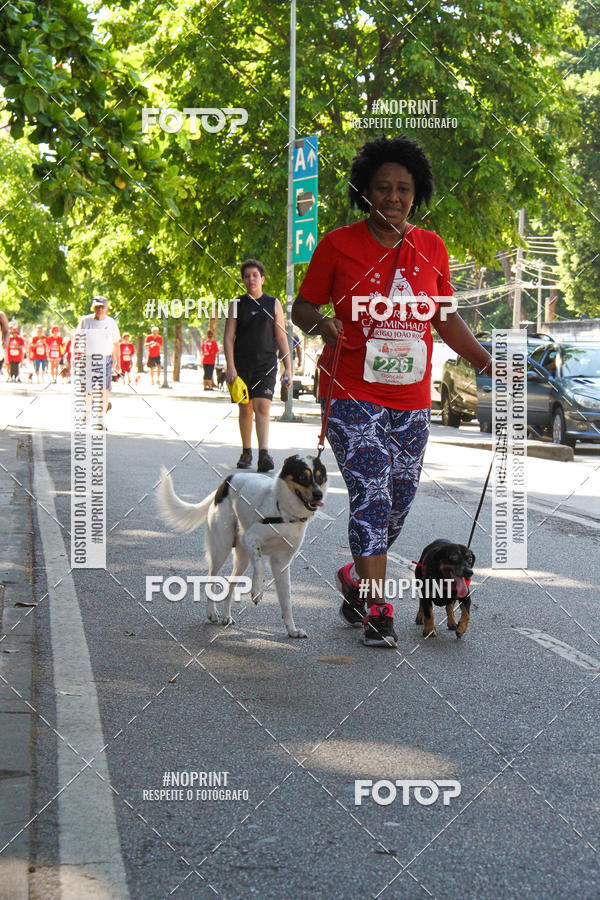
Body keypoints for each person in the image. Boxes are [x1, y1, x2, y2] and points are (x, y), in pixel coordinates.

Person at [292, 135, 492, 649]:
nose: (393, 197)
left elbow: (446, 320)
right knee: (374, 492)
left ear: (416, 193)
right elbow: (302, 308)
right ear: (367, 191)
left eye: (403, 189)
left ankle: (358, 579)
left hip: (411, 400)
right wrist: (324, 325)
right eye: (382, 187)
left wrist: (487, 361)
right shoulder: (338, 244)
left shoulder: (432, 248)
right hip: (352, 392)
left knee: (397, 502)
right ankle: (379, 606)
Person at [224, 259, 292, 471]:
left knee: (263, 405)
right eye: (247, 276)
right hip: (242, 364)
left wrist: (288, 366)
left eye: (255, 275)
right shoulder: (236, 304)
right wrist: (230, 366)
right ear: (243, 280)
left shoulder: (273, 303)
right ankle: (246, 452)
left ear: (262, 279)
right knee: (245, 407)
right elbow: (228, 338)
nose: (251, 279)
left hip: (267, 363)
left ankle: (264, 454)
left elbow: (281, 338)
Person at [76, 295, 120, 428]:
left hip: (105, 358)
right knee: (87, 389)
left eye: (102, 307)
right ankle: (87, 413)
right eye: (97, 307)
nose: (100, 309)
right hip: (88, 358)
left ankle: (101, 420)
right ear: (94, 308)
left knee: (104, 389)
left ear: (106, 308)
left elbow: (115, 342)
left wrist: (115, 360)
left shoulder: (111, 322)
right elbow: (78, 340)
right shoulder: (85, 321)